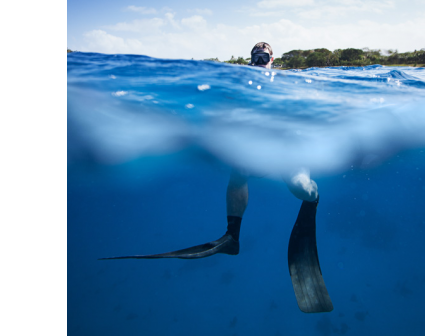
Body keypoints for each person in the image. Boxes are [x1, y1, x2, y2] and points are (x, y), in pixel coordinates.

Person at [101, 42, 333, 313]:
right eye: (256, 58)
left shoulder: (288, 81)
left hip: (291, 152)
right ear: (250, 60)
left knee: (301, 188)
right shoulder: (242, 83)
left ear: (273, 58)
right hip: (260, 152)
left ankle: (313, 198)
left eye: (264, 57)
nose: (260, 62)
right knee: (238, 171)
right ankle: (231, 237)